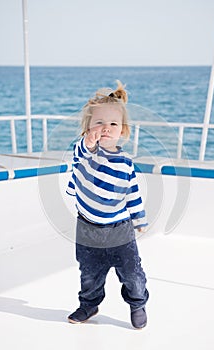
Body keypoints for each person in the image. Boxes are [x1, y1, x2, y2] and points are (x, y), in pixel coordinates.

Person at [66, 80, 149, 329]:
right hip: (88, 227)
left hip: (119, 229)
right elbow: (82, 150)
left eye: (112, 124)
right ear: (87, 128)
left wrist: (140, 218)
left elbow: (132, 193)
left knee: (132, 274)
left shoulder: (125, 163)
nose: (105, 128)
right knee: (89, 273)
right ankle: (89, 304)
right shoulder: (85, 152)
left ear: (122, 130)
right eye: (98, 123)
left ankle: (137, 303)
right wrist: (89, 143)